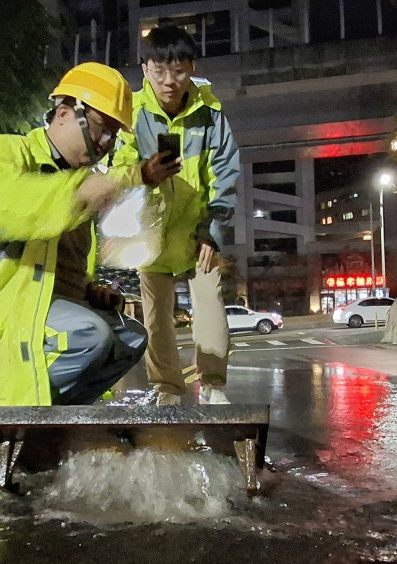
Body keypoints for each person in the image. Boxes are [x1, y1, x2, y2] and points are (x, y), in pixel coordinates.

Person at [0, 62, 175, 451]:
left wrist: (89, 291)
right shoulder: (2, 153)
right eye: (101, 128)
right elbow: (17, 210)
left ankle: (53, 425)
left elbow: (63, 266)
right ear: (63, 114)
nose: (107, 143)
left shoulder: (76, 185)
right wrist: (125, 178)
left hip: (36, 309)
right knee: (88, 336)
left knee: (128, 337)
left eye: (113, 134)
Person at [113, 25, 240, 406]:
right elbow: (118, 169)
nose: (170, 81)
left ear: (192, 68)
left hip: (198, 232)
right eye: (159, 70)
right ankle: (167, 388)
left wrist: (211, 230)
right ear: (144, 69)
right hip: (150, 235)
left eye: (179, 71)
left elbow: (225, 173)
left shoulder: (211, 113)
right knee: (156, 318)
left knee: (210, 302)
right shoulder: (131, 114)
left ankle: (214, 386)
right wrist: (144, 174)